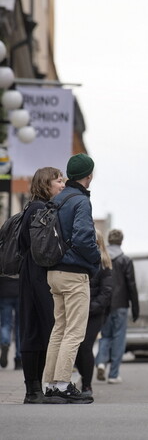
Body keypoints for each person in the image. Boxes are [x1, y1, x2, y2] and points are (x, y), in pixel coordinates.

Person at [43, 153, 100, 404]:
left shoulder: (57, 199)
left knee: (59, 330)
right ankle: (64, 384)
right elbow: (84, 238)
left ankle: (50, 385)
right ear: (89, 175)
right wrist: (96, 259)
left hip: (53, 272)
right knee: (75, 333)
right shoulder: (80, 201)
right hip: (74, 273)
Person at [18, 167, 65, 403]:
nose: (62, 184)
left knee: (34, 328)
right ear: (46, 184)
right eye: (58, 181)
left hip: (31, 272)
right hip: (38, 272)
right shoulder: (40, 208)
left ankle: (34, 389)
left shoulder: (32, 207)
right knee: (41, 328)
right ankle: (34, 390)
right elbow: (43, 247)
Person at [95, 229, 139, 384]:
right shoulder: (125, 260)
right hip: (121, 305)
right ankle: (113, 374)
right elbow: (131, 285)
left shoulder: (102, 258)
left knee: (105, 336)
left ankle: (100, 362)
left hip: (104, 304)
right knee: (118, 338)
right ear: (121, 241)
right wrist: (135, 308)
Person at [75, 229, 112, 396]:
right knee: (75, 346)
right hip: (78, 310)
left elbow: (106, 292)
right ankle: (81, 379)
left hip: (94, 314)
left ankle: (87, 385)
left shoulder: (104, 265)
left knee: (85, 346)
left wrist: (89, 308)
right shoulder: (79, 261)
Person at [0, 276, 21, 370]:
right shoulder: (22, 259)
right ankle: (19, 359)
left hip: (4, 291)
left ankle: (5, 342)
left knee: (5, 323)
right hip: (20, 290)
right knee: (19, 327)